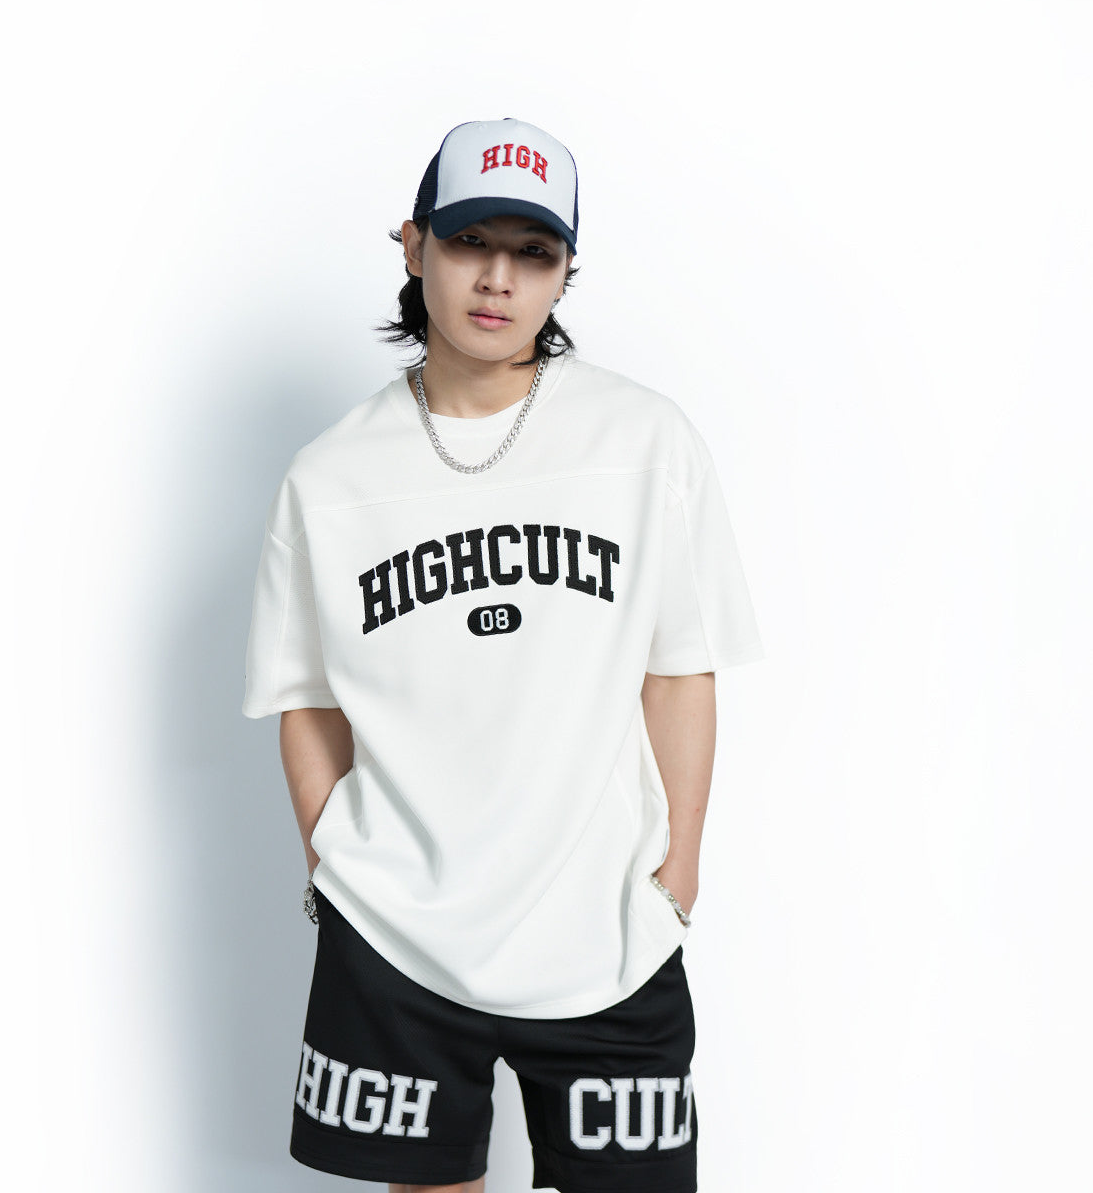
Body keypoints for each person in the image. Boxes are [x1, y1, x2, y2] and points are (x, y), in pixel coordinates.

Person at [241, 117, 765, 1193]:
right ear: (413, 244)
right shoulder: (331, 478)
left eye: (534, 252)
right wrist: (336, 865)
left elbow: (680, 668)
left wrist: (679, 875)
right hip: (398, 933)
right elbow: (306, 696)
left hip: (608, 924)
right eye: (471, 241)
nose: (498, 279)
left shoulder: (643, 442)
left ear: (566, 271)